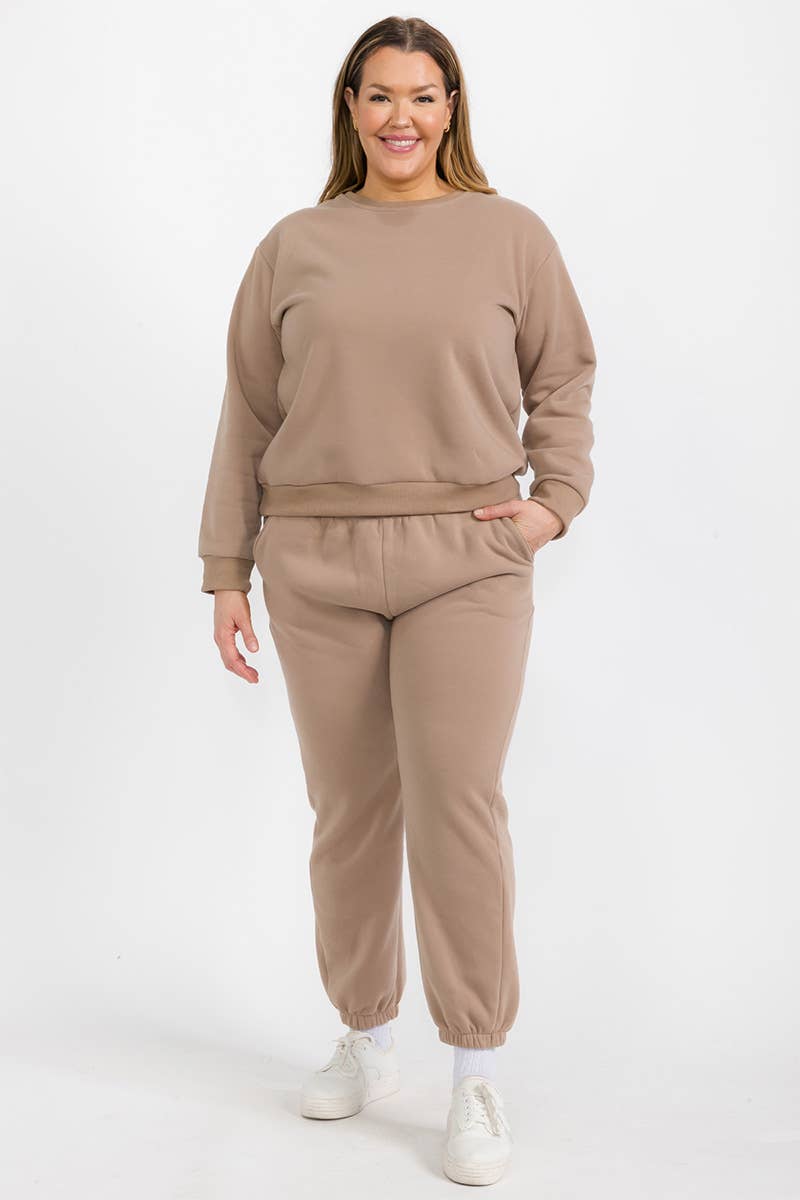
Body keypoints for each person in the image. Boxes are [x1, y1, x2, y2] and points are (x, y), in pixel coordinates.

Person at [197, 16, 596, 1187]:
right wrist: (225, 569)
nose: (400, 118)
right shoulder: (295, 244)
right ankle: (366, 1037)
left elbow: (563, 377)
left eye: (422, 96)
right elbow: (246, 411)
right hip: (312, 559)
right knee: (348, 812)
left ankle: (474, 1070)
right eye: (379, 96)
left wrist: (554, 503)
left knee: (455, 803)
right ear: (350, 107)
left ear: (451, 106)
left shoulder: (509, 236)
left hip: (465, 555)